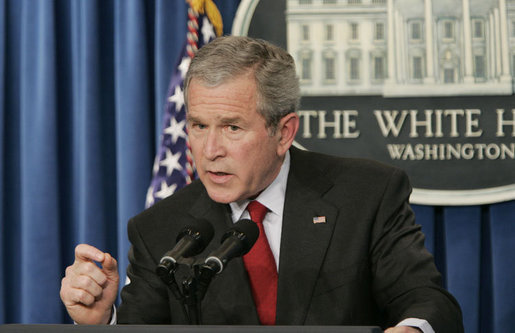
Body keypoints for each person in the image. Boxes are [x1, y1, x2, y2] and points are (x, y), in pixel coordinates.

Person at [60, 36, 464, 332]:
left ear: (284, 132)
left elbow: (427, 301)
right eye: (198, 126)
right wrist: (100, 323)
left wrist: (411, 329)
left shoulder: (367, 195)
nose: (209, 149)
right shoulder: (160, 230)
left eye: (232, 127)